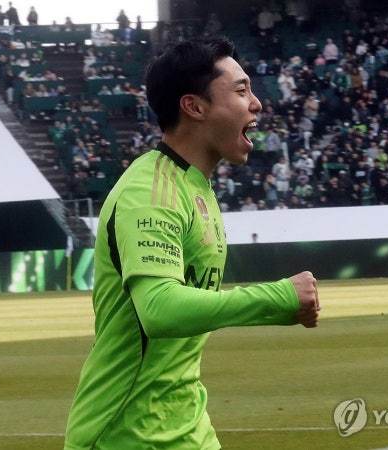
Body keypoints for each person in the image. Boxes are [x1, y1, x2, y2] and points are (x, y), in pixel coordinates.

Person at [64, 38, 320, 450]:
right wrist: (278, 298)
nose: (256, 104)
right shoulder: (149, 193)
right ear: (194, 107)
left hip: (186, 424)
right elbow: (159, 310)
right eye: (241, 91)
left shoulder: (194, 187)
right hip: (126, 434)